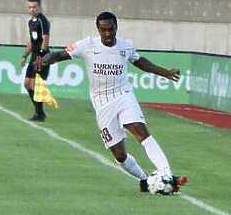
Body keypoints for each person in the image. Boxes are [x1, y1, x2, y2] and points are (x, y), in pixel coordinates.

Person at [38, 12, 189, 194]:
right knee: (119, 155)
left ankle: (166, 173)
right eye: (104, 30)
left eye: (111, 29)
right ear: (98, 29)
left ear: (116, 27)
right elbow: (59, 55)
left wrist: (165, 72)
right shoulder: (87, 45)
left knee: (139, 129)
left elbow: (142, 63)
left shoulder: (125, 46)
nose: (108, 34)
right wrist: (44, 60)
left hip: (123, 95)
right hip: (102, 103)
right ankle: (147, 181)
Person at [19, 0, 51, 121]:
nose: (32, 9)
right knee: (27, 84)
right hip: (33, 56)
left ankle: (39, 114)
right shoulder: (31, 22)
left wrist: (42, 55)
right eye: (30, 7)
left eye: (34, 7)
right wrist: (24, 56)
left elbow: (46, 38)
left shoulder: (43, 21)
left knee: (34, 85)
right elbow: (32, 42)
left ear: (39, 7)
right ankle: (39, 112)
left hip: (41, 56)